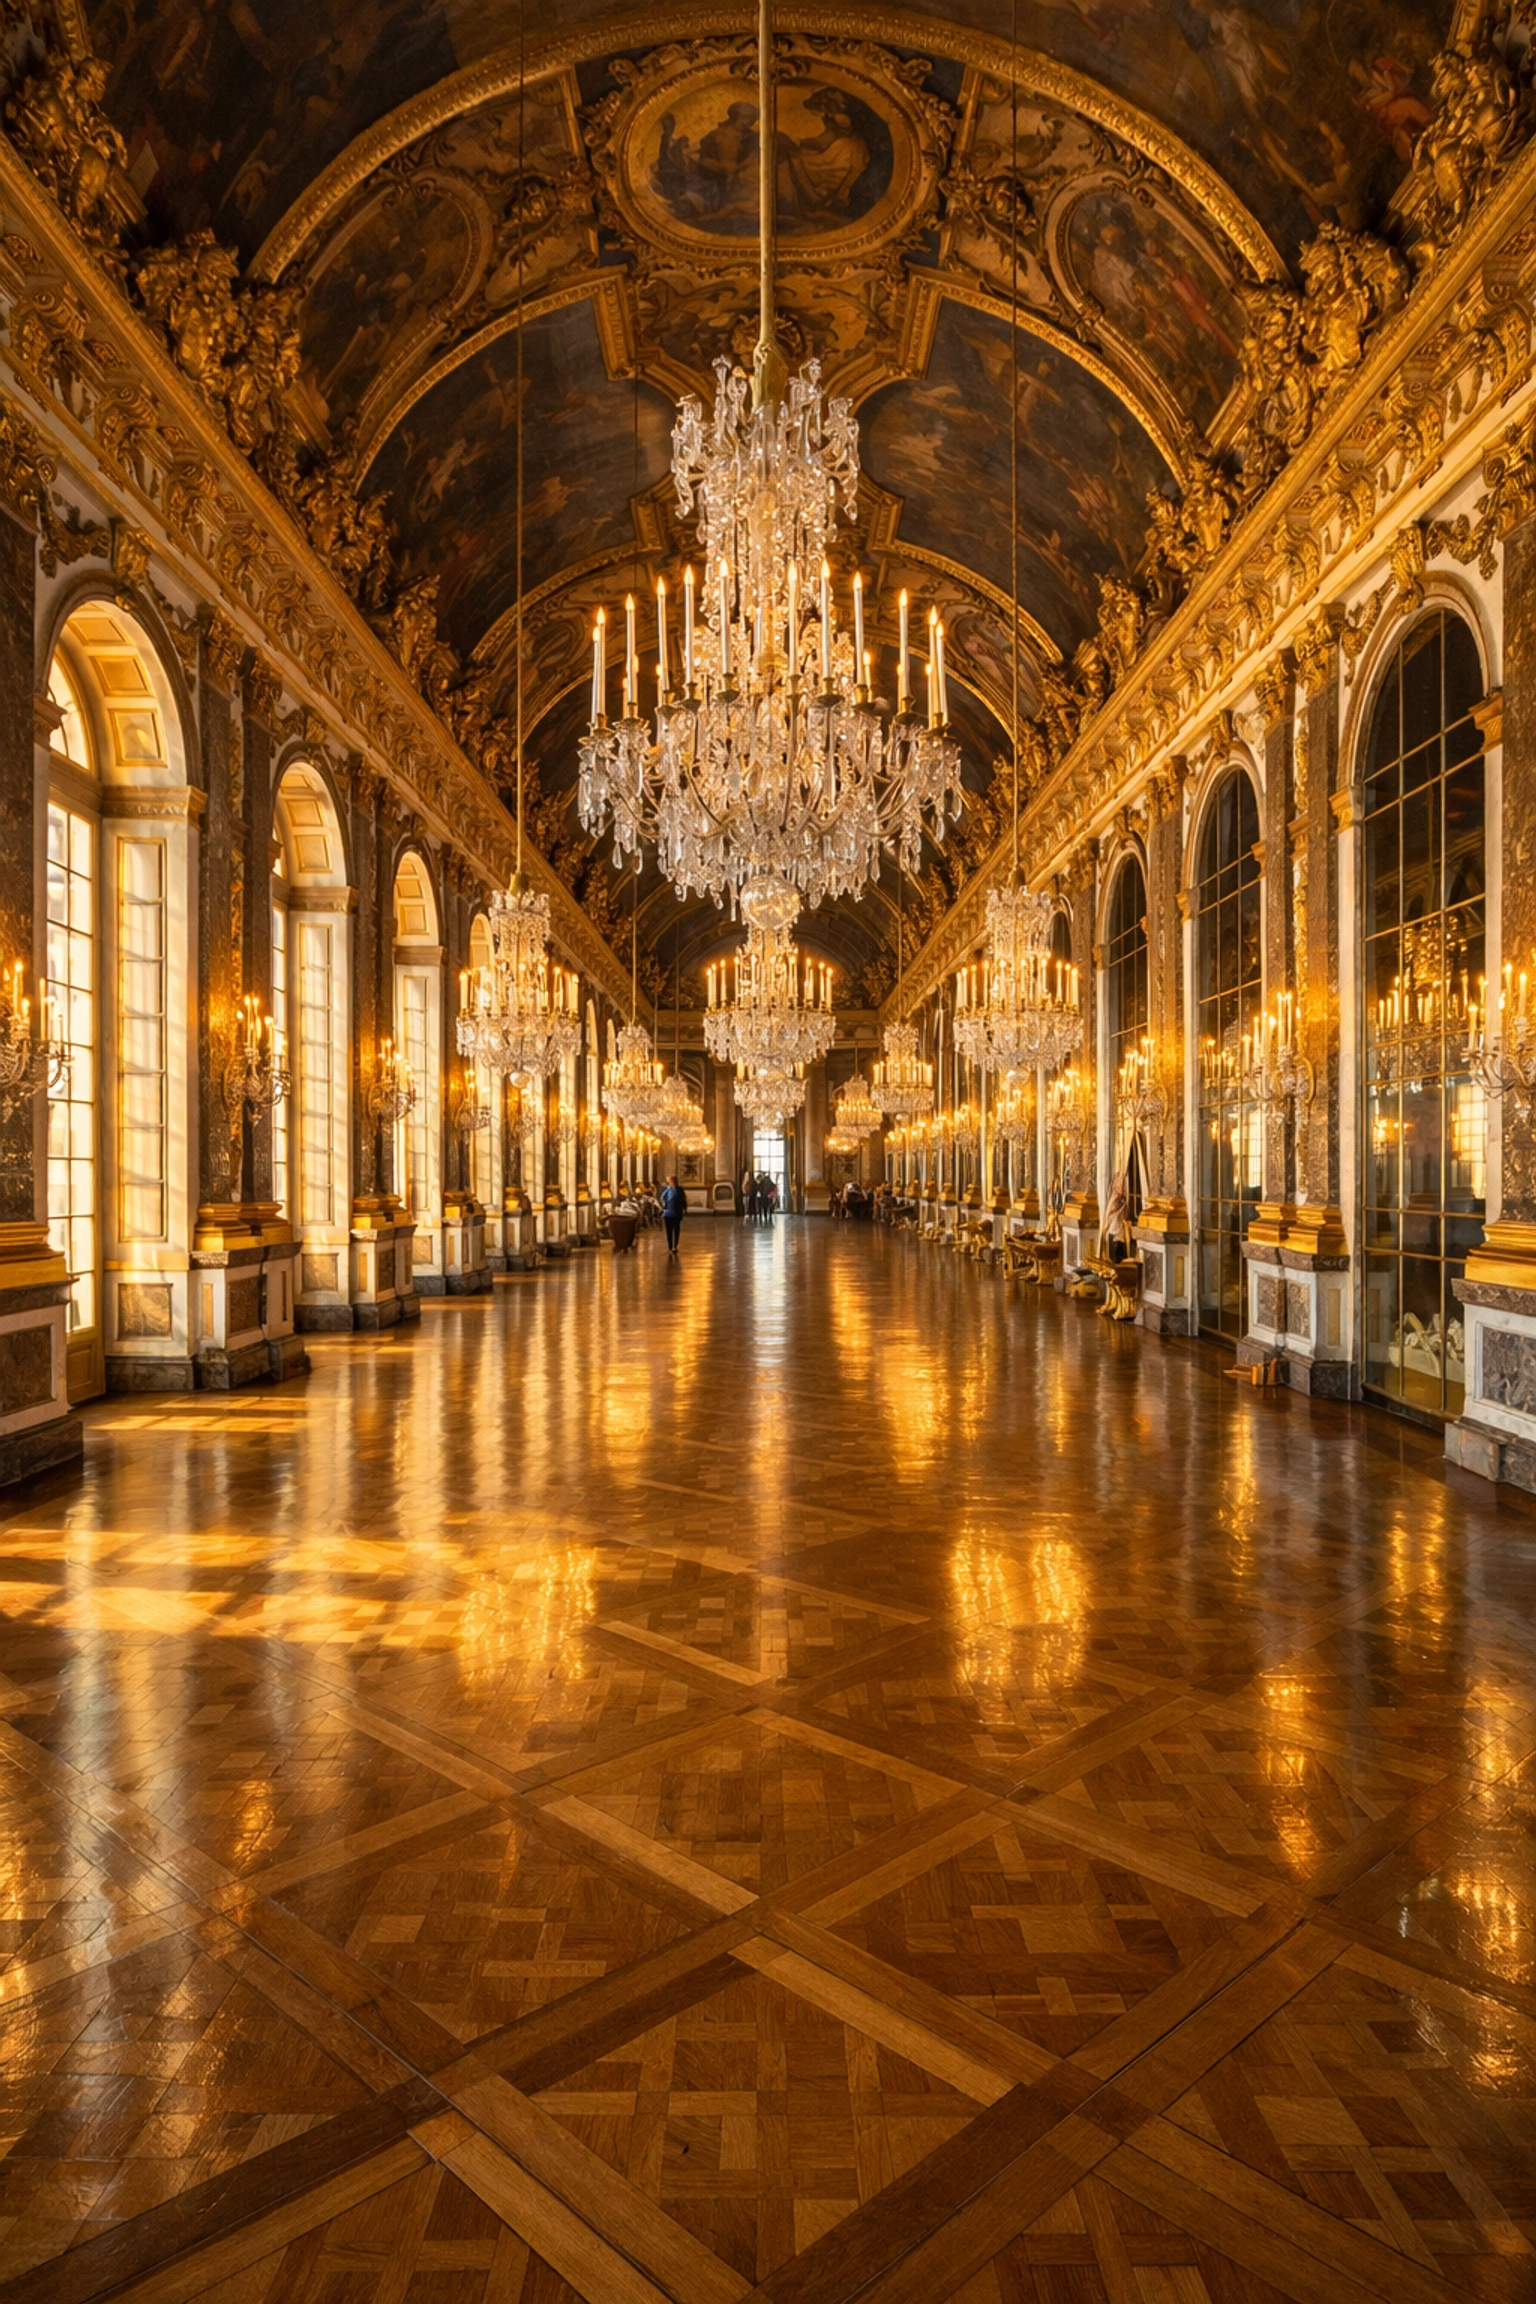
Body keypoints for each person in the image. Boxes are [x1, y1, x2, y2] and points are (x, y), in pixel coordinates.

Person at [661, 1173, 687, 1256]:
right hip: (669, 1213)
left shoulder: (678, 1189)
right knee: (671, 1230)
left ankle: (674, 1246)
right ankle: (671, 1246)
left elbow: (683, 1200)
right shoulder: (666, 1189)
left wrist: (684, 1208)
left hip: (675, 1212)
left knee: (675, 1230)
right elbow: (661, 1199)